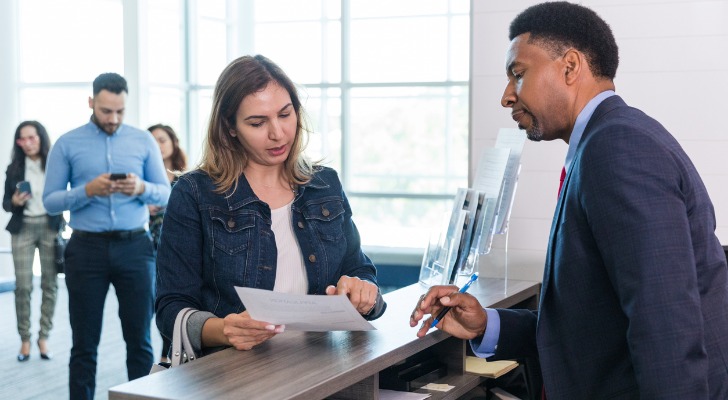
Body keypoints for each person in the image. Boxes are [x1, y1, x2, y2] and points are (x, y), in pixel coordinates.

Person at [409, 2, 728, 399]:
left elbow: (665, 324)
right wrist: (487, 325)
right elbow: (595, 325)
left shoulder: (617, 147)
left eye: (518, 75)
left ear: (570, 67)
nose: (507, 97)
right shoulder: (603, 143)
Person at [155, 55, 386, 356]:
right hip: (233, 375)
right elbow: (170, 308)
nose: (277, 133)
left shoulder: (325, 185)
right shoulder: (194, 194)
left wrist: (363, 290)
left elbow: (358, 269)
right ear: (230, 127)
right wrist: (224, 329)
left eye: (285, 114)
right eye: (257, 122)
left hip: (323, 365)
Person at [43, 73, 171, 400]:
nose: (113, 119)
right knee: (84, 344)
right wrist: (86, 191)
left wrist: (141, 188)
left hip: (136, 248)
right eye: (105, 111)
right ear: (91, 103)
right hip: (86, 249)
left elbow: (166, 193)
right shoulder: (67, 143)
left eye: (120, 111)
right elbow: (50, 200)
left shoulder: (143, 141)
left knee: (140, 340)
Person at [3, 120, 64, 362]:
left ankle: (43, 336)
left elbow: (63, 195)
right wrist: (15, 201)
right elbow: (6, 203)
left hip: (49, 227)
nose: (27, 143)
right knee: (23, 286)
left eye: (32, 137)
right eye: (22, 139)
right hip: (23, 227)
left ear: (41, 137)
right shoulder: (14, 167)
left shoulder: (55, 165)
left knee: (50, 284)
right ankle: (25, 339)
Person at [147, 123, 187, 363]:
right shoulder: (141, 177)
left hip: (179, 248)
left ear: (173, 142)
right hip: (149, 247)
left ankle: (169, 351)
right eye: (152, 141)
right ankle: (163, 354)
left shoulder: (187, 178)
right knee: (156, 300)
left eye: (162, 140)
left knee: (174, 298)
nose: (158, 146)